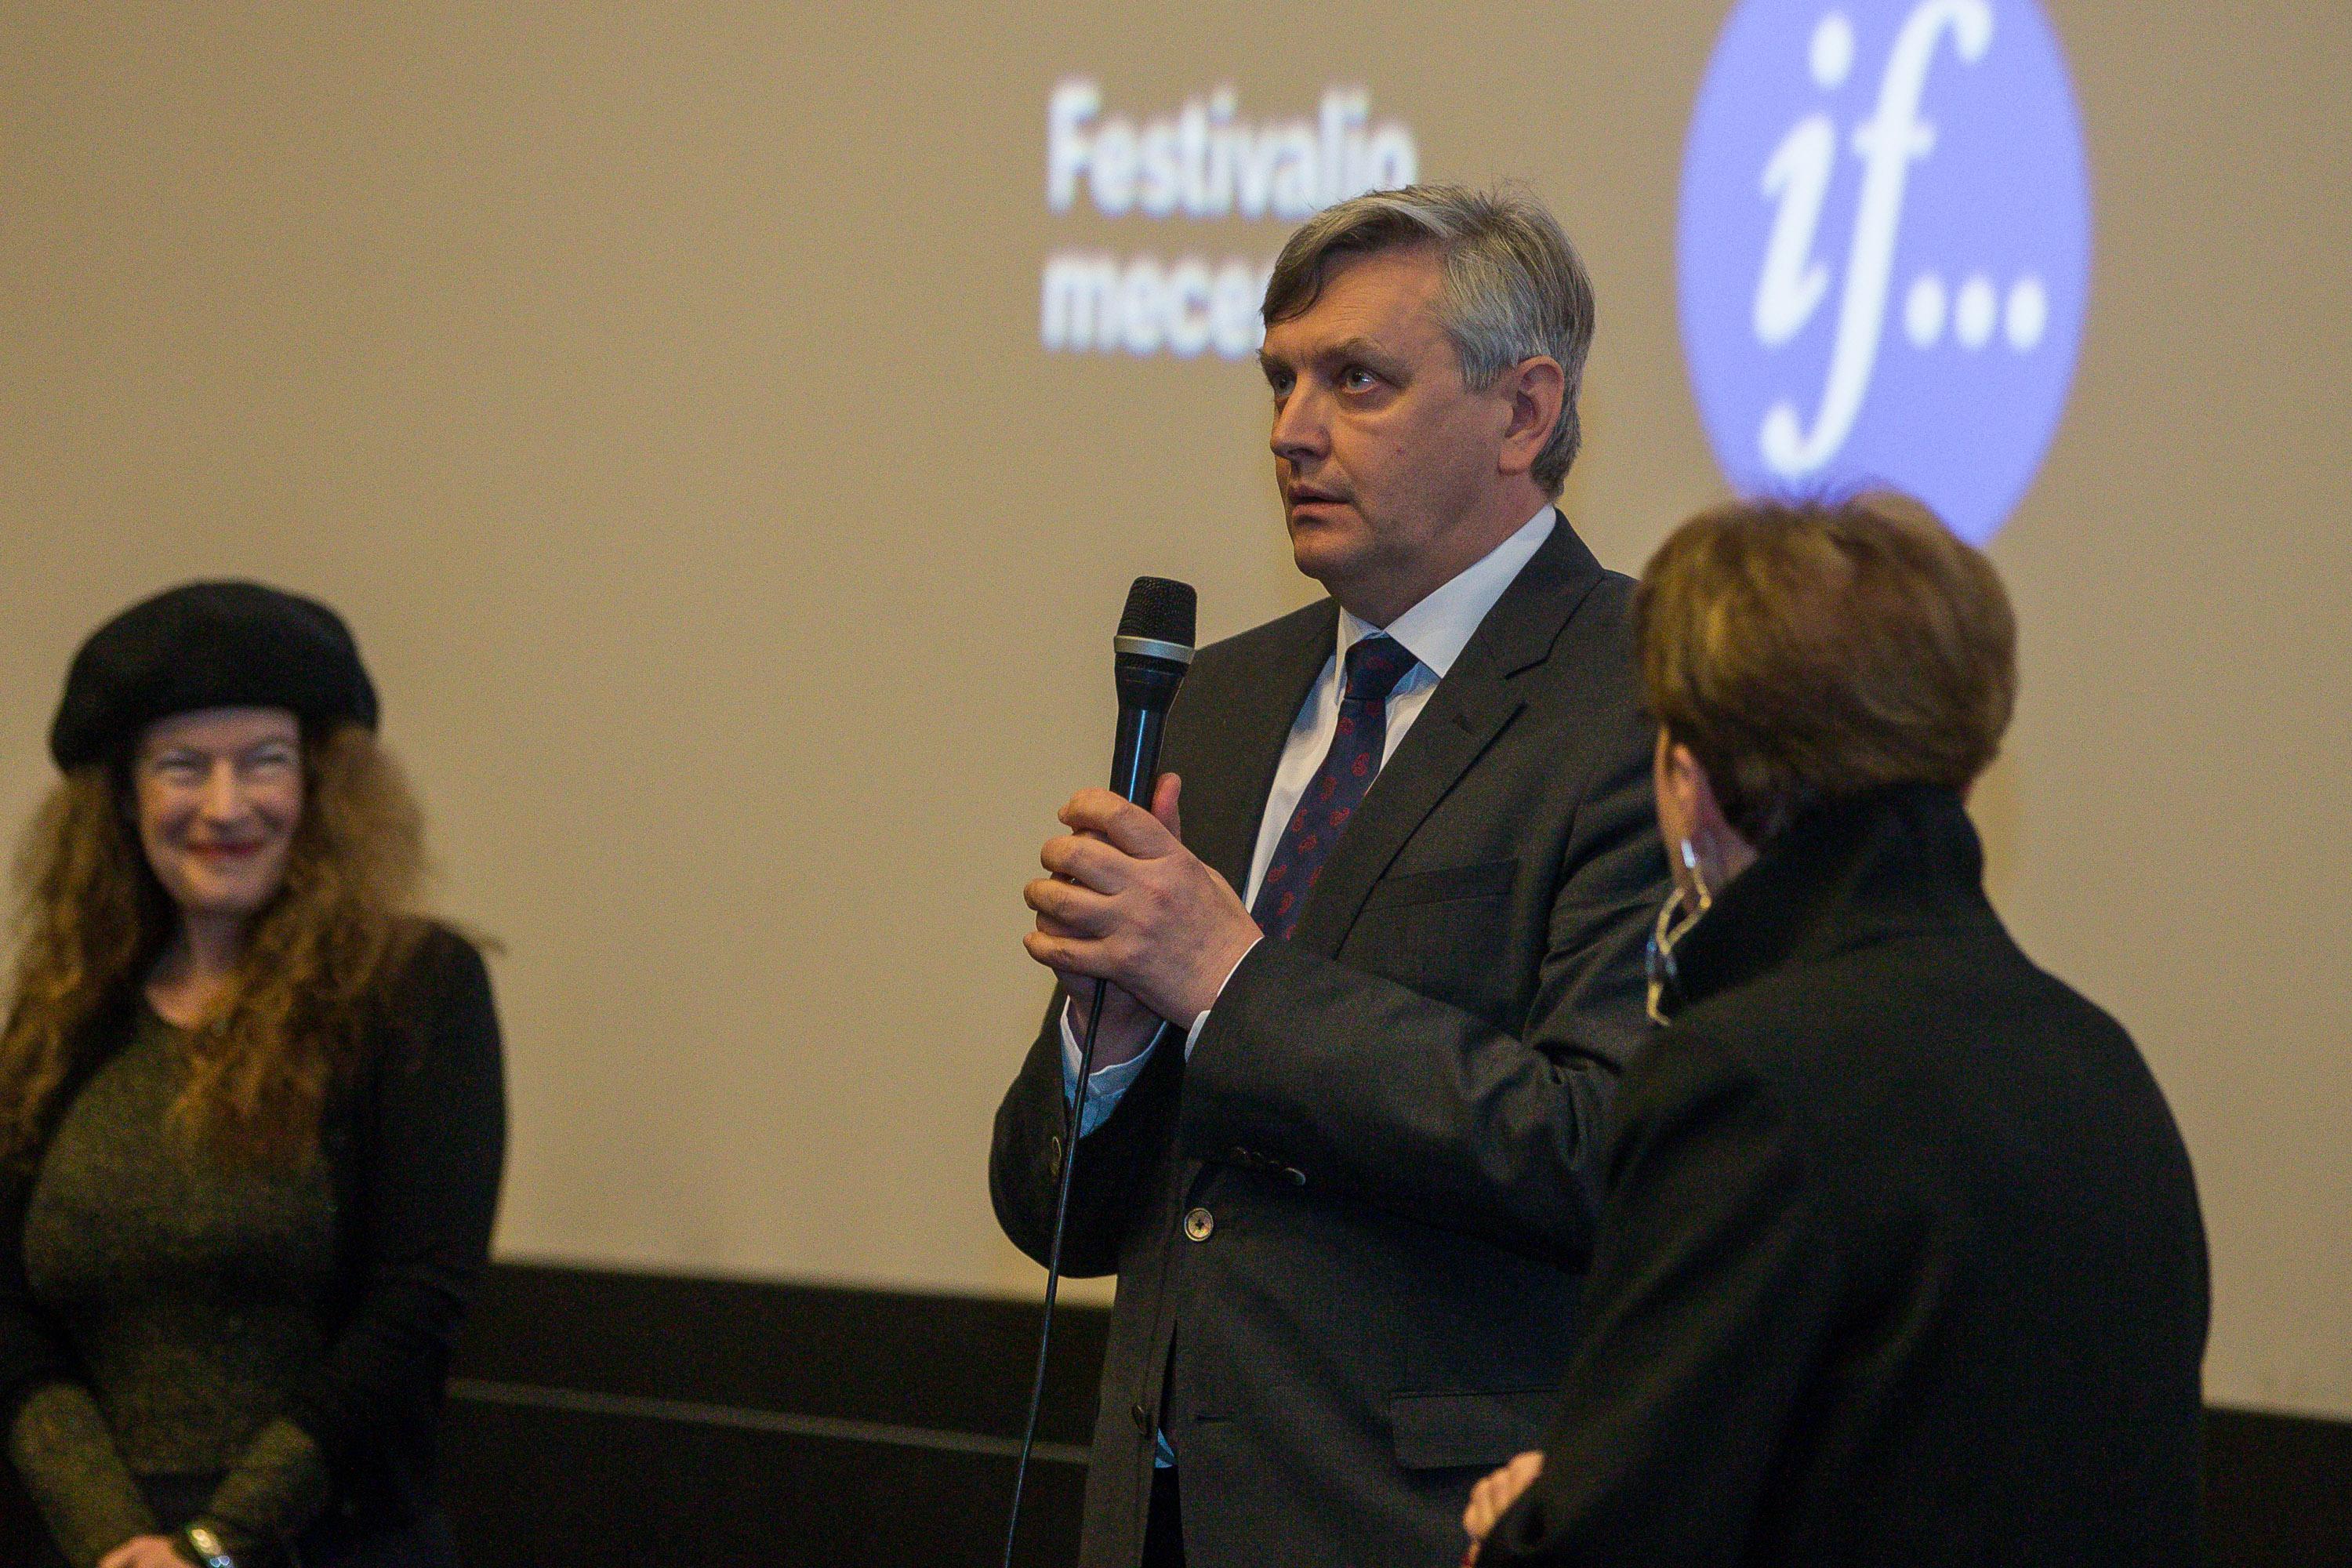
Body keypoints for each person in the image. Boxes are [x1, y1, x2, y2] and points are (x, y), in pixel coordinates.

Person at [990, 185, 1667, 1567]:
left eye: (1356, 380)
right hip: (1155, 1519)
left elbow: (1603, 1147)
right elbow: (1059, 1217)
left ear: (1523, 412)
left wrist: (1228, 983)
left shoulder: (1651, 698)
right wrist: (1104, 1054)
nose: (1291, 430)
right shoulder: (1224, 699)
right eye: (1280, 380)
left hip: (1424, 1527)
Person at [1461, 494, 2209, 1566]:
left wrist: (1517, 1530)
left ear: (1687, 783)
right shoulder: (2099, 1060)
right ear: (1962, 767)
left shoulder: (1743, 1082)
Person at [0, 583, 507, 1568]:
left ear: (320, 785)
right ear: (123, 796)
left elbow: (415, 1307)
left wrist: (212, 1547)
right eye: (181, 765)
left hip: (335, 1547)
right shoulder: (63, 1015)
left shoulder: (416, 988)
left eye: (264, 760)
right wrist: (113, 1536)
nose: (225, 805)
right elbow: (7, 1311)